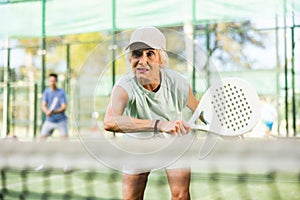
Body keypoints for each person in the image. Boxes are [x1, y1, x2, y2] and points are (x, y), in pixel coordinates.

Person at [104, 26, 201, 200]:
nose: (143, 60)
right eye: (137, 54)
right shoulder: (123, 86)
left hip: (174, 141)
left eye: (150, 54)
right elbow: (110, 122)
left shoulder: (177, 83)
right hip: (138, 144)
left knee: (181, 195)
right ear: (130, 59)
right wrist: (159, 125)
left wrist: (226, 128)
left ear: (161, 59)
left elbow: (200, 111)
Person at [40, 73, 68, 140]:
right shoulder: (46, 92)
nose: (52, 83)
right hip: (49, 120)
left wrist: (53, 111)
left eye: (53, 81)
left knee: (65, 140)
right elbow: (43, 106)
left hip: (61, 121)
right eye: (50, 81)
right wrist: (47, 111)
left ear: (56, 81)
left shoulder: (61, 92)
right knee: (42, 139)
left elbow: (64, 107)